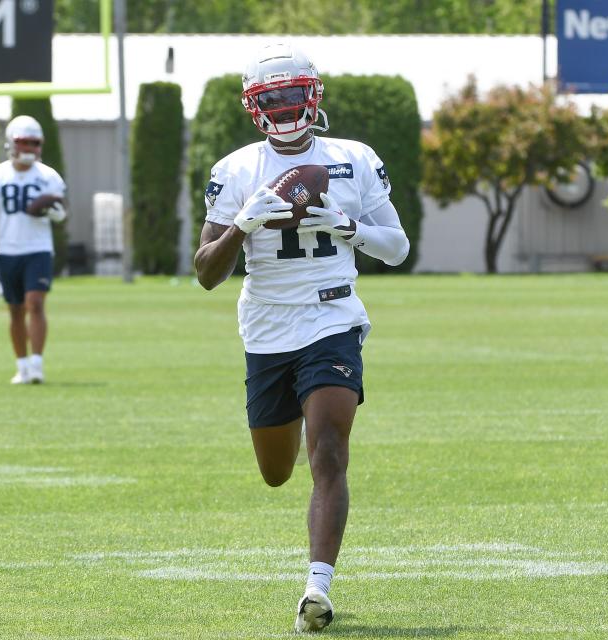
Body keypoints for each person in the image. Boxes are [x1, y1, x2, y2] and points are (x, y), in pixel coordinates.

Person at [194, 43, 410, 633]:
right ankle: (312, 554)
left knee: (331, 448)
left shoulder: (354, 158)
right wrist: (243, 224)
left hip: (333, 318)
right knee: (276, 470)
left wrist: (347, 226)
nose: (286, 107)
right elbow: (206, 273)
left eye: (294, 94)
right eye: (274, 98)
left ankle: (317, 587)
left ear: (314, 96)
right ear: (254, 106)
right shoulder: (235, 170)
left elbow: (398, 248)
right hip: (267, 325)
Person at [0, 115, 67, 384]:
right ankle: (22, 365)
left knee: (35, 303)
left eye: (34, 143)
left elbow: (62, 209)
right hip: (7, 249)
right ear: (11, 143)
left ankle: (37, 363)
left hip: (38, 248)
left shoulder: (49, 176)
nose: (29, 148)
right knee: (15, 309)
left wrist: (57, 212)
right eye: (23, 142)